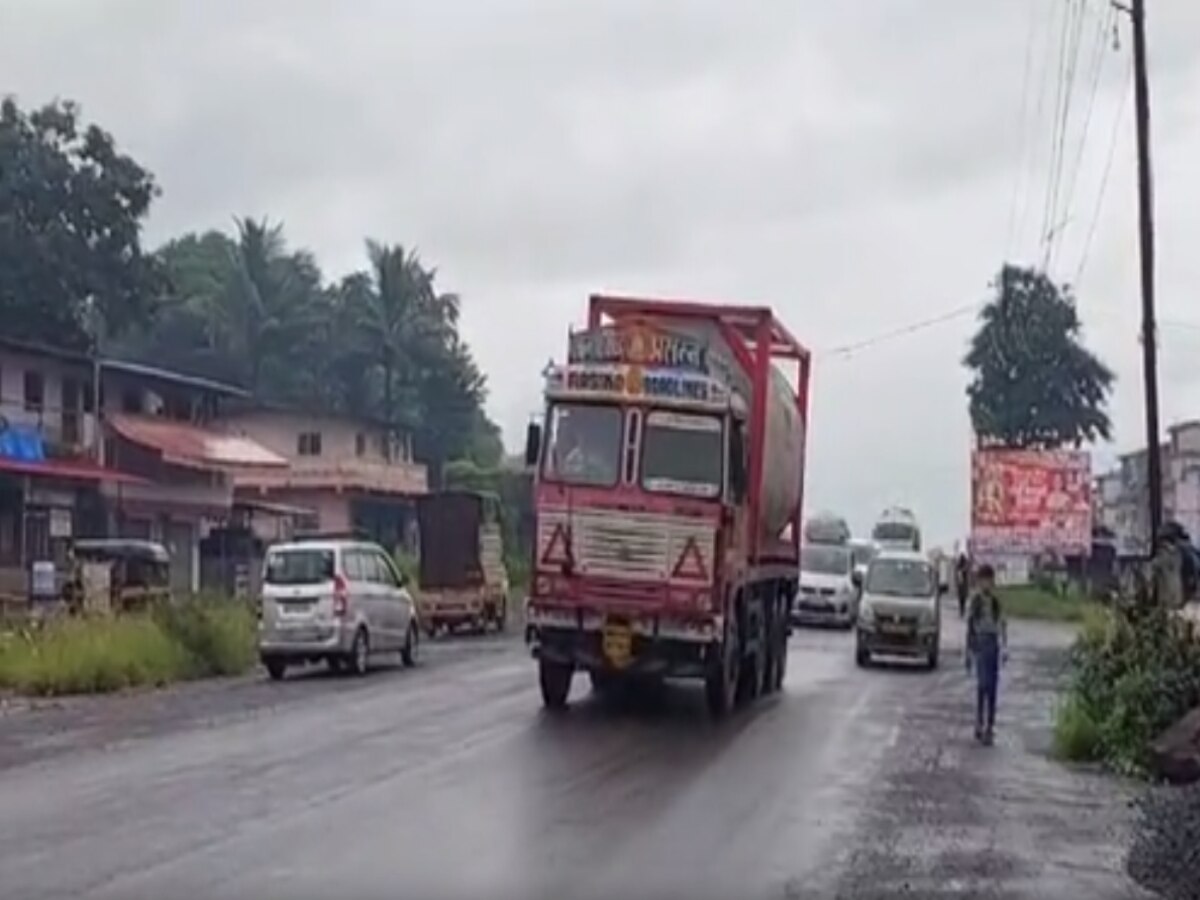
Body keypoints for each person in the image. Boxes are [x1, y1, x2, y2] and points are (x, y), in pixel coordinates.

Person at [965, 563, 1007, 745]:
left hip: (993, 645)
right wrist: (969, 651)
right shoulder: (976, 602)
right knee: (983, 685)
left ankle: (990, 725)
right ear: (979, 581)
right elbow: (970, 626)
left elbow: (1002, 625)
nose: (986, 584)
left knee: (993, 688)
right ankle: (979, 723)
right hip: (981, 644)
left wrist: (1004, 647)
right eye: (984, 581)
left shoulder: (996, 603)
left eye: (989, 581)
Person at [955, 552, 970, 618]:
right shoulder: (961, 567)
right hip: (962, 585)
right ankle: (962, 610)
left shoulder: (961, 566)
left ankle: (962, 610)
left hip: (962, 585)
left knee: (962, 599)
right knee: (962, 599)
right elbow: (958, 575)